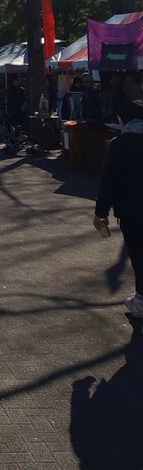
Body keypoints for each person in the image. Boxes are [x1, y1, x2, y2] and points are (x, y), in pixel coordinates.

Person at [94, 98, 143, 316]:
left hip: (132, 210)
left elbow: (109, 182)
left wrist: (101, 213)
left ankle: (141, 300)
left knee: (139, 254)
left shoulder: (119, 145)